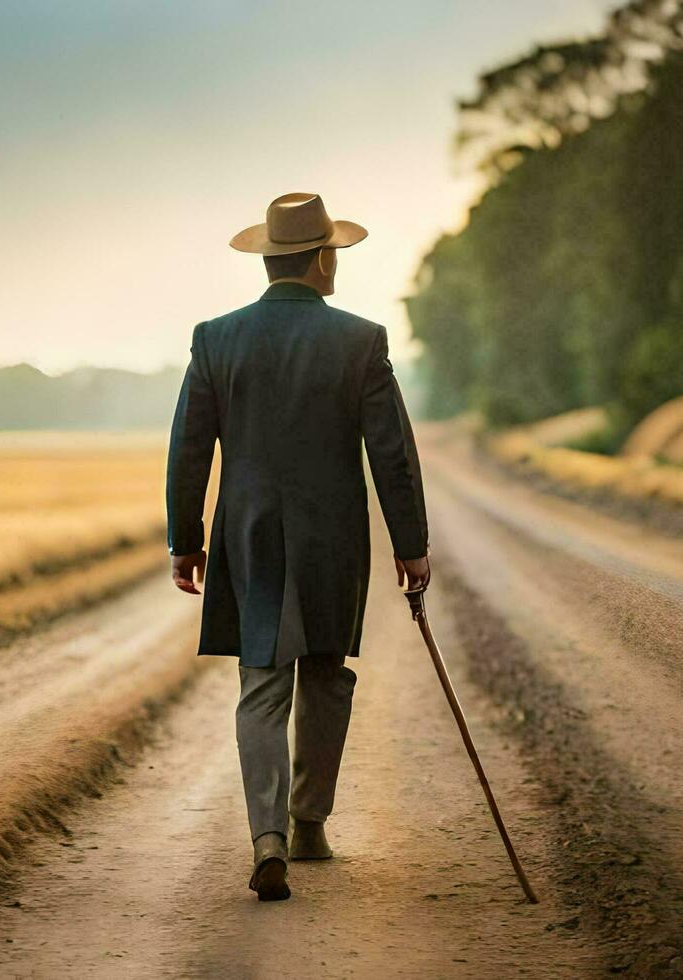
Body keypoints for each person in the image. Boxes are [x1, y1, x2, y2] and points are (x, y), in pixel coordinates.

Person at [166, 192, 430, 902]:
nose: (337, 261)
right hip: (332, 537)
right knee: (323, 672)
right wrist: (413, 547)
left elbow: (189, 449)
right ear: (319, 260)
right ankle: (309, 824)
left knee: (261, 681)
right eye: (334, 251)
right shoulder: (361, 339)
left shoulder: (214, 339)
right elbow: (393, 456)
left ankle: (267, 837)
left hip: (248, 536)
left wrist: (184, 541)